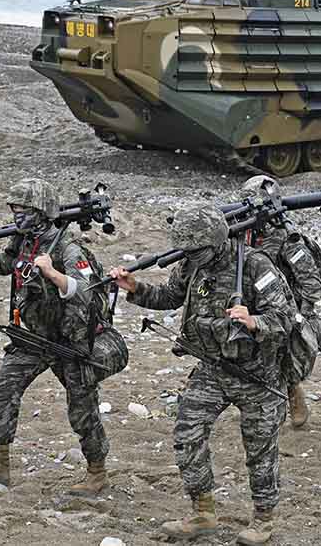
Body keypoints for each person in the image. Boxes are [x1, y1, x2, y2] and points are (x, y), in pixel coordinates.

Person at [109, 202, 294, 546]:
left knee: (260, 448)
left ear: (216, 239)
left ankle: (264, 519)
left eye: (197, 250)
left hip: (257, 374)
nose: (192, 257)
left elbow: (285, 318)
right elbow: (170, 296)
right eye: (188, 251)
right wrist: (134, 287)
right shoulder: (192, 264)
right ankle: (202, 512)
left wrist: (254, 321)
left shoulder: (254, 265)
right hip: (211, 368)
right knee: (187, 432)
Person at [0, 179, 115, 496]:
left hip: (70, 343)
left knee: (82, 410)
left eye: (23, 210)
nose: (17, 216)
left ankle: (97, 473)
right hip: (34, 338)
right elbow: (6, 264)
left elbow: (91, 293)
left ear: (41, 211)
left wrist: (54, 274)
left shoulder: (69, 248)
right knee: (0, 393)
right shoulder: (25, 242)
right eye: (14, 209)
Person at [240, 175, 321, 429]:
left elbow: (311, 282)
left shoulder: (286, 238)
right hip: (255, 302)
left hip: (285, 306)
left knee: (280, 359)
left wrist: (301, 317)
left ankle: (292, 394)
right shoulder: (242, 233)